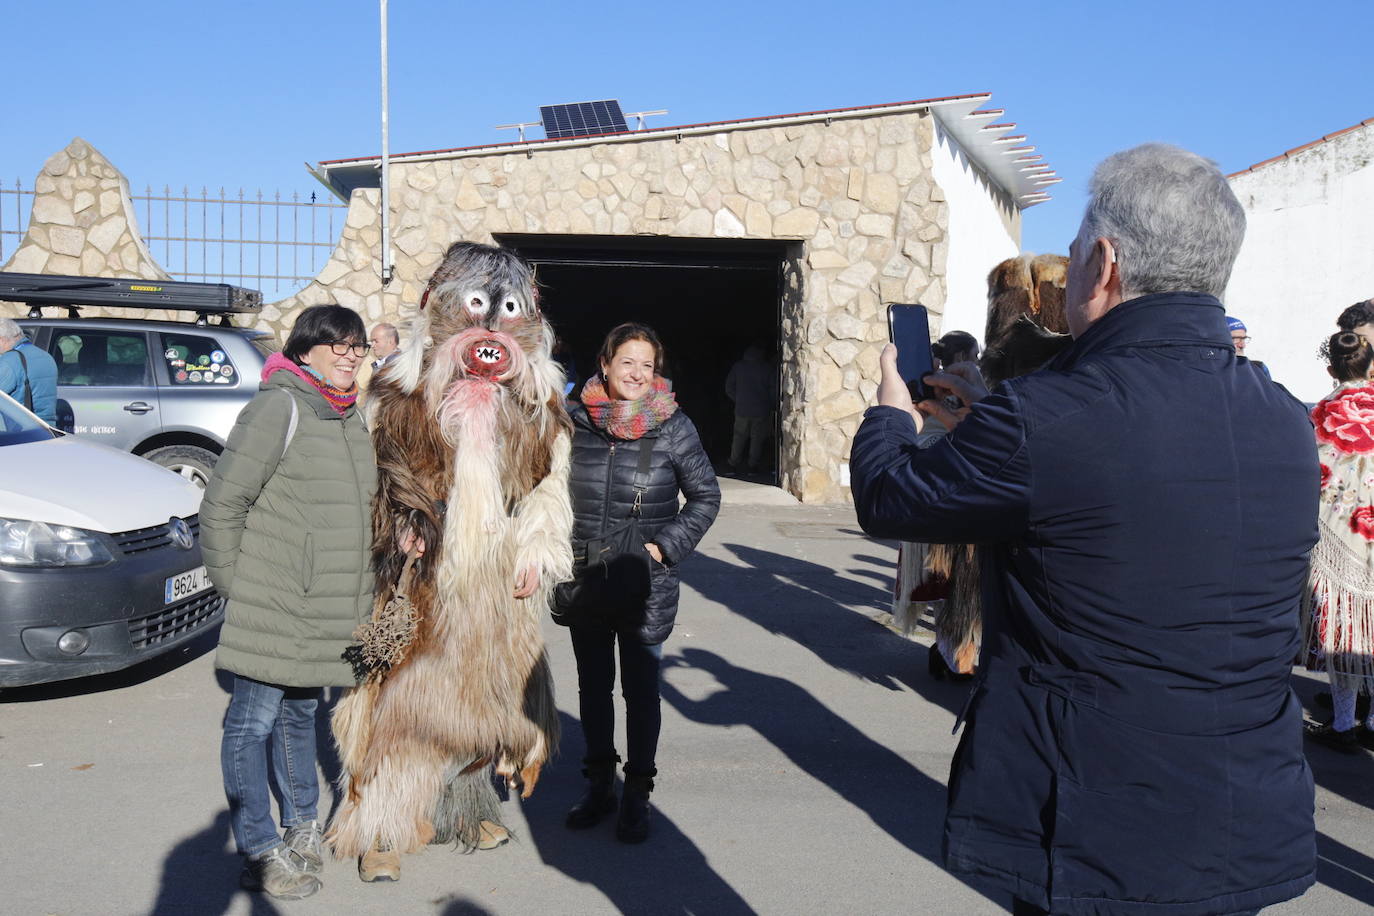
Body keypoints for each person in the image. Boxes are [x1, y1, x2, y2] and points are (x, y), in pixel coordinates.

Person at [851, 143, 1318, 915]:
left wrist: (889, 415)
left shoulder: (1046, 418)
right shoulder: (1283, 416)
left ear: (1103, 262)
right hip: (1245, 811)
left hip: (1095, 823)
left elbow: (891, 499)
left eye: (1071, 251)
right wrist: (988, 418)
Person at [328, 241, 572, 883]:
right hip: (421, 577)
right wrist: (402, 525)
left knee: (485, 697)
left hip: (494, 580)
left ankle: (465, 808)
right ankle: (380, 825)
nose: (489, 331)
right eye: (475, 309)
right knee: (401, 701)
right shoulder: (397, 394)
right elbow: (375, 472)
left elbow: (550, 485)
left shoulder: (537, 408)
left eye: (506, 312)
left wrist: (537, 550)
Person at [200, 304, 377, 900]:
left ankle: (300, 827)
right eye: (337, 344)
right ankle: (258, 846)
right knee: (253, 723)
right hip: (274, 599)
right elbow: (222, 504)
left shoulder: (349, 417)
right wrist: (237, 587)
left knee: (300, 717)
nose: (350, 355)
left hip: (323, 605)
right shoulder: (279, 406)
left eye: (358, 346)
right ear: (305, 351)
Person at [558, 322, 720, 843]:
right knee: (593, 687)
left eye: (647, 366)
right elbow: (541, 489)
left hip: (643, 581)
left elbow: (705, 497)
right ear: (604, 364)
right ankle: (599, 784)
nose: (637, 374)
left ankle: (637, 793)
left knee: (641, 692)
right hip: (583, 576)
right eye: (627, 362)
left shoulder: (673, 426)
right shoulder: (571, 421)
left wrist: (663, 547)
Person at [1302, 331, 1374, 752]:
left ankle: (1345, 723)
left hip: (1337, 535)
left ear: (1331, 369)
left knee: (1346, 629)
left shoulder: (1320, 414)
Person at [723, 342, 776, 476]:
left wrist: (739, 399)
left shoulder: (738, 367)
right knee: (757, 439)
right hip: (761, 410)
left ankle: (733, 464)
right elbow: (773, 389)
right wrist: (771, 404)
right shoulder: (767, 368)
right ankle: (752, 466)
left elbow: (728, 386)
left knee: (739, 437)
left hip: (741, 409)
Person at [0, 317, 58, 425]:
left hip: (21, 431)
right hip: (48, 428)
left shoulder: (9, 361)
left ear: (2, 339)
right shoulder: (47, 357)